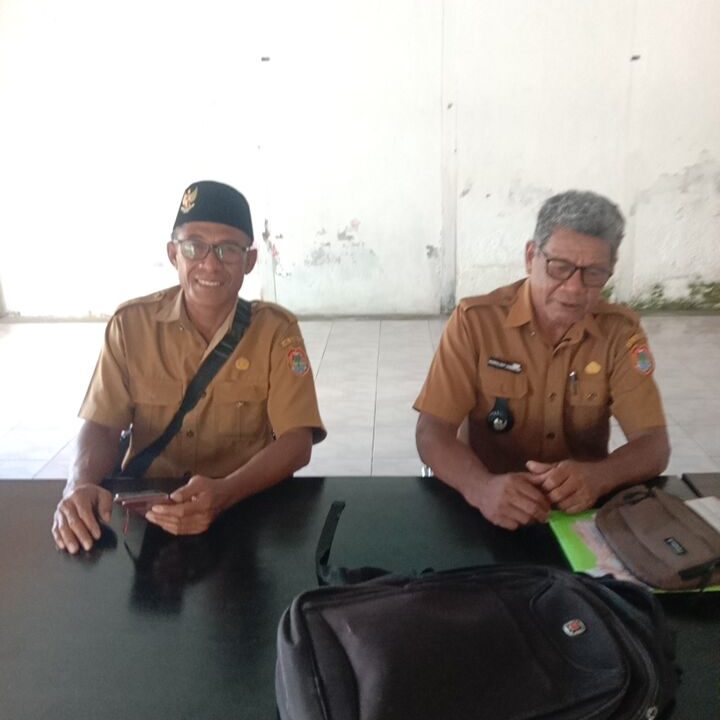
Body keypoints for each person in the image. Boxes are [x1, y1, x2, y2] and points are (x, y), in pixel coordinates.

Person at [53, 180, 325, 553]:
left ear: (249, 261)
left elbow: (297, 441)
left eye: (228, 250)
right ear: (173, 253)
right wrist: (79, 485)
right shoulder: (131, 326)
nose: (210, 264)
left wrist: (225, 493)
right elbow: (101, 424)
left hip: (242, 507)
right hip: (146, 514)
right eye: (194, 246)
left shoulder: (276, 332)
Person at [414, 190, 669, 530]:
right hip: (487, 508)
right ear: (530, 256)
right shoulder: (475, 322)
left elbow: (654, 445)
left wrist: (600, 477)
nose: (574, 288)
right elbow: (432, 432)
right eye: (559, 267)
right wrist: (481, 488)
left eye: (594, 273)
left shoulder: (619, 333)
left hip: (579, 514)